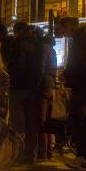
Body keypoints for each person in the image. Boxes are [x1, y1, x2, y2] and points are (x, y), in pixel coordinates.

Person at [58, 16, 86, 168]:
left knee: (80, 117)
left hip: (84, 83)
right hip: (85, 83)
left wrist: (68, 75)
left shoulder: (84, 36)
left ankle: (83, 155)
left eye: (62, 28)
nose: (62, 33)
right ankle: (83, 154)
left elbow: (81, 60)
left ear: (70, 25)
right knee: (81, 117)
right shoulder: (85, 36)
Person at [7, 21, 47, 164]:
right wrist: (35, 85)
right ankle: (31, 154)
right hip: (33, 89)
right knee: (32, 123)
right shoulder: (39, 44)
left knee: (17, 123)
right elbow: (41, 67)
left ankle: (18, 153)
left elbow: (15, 65)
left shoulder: (16, 43)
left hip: (17, 87)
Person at [38, 32, 57, 160]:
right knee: (48, 119)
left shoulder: (43, 49)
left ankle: (43, 151)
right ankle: (49, 149)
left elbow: (41, 67)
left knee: (41, 118)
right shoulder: (53, 51)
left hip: (43, 84)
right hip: (50, 85)